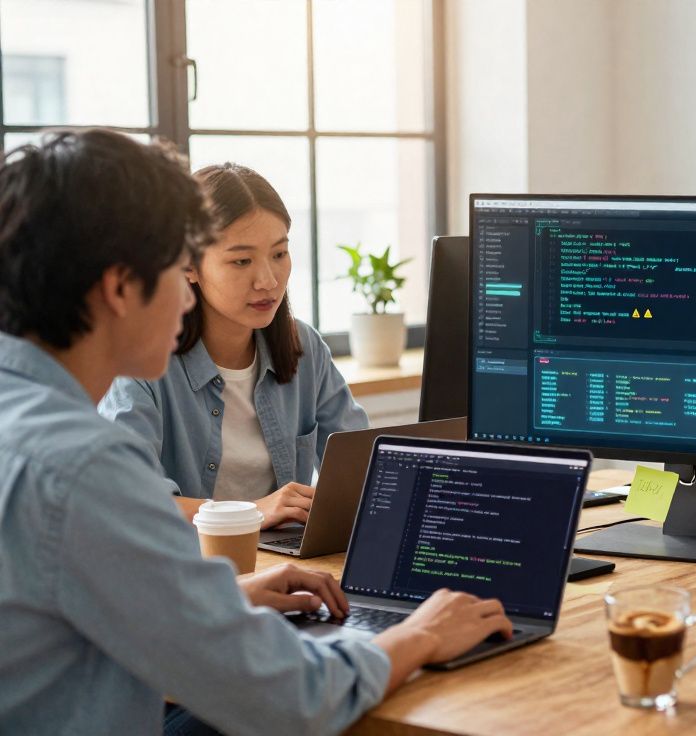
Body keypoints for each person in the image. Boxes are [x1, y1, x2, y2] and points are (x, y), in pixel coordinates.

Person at [0, 130, 511, 733]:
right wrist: (420, 634)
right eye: (177, 265)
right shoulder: (84, 467)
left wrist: (225, 602)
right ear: (120, 288)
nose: (185, 295)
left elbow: (83, 603)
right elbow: (292, 696)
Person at [100, 163, 365, 529]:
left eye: (279, 254)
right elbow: (129, 500)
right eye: (242, 260)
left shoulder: (305, 347)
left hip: (284, 564)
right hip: (188, 569)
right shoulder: (140, 363)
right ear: (189, 266)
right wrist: (252, 512)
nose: (268, 280)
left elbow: (363, 470)